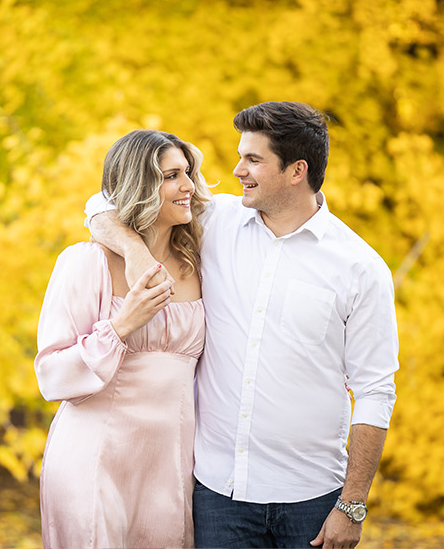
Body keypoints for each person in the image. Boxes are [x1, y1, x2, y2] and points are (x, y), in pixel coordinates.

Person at [87, 102, 399, 549]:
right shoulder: (215, 221)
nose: (237, 171)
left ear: (297, 171)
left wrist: (352, 505)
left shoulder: (360, 267)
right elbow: (103, 202)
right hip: (219, 495)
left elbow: (375, 390)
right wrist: (134, 249)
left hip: (312, 499)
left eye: (253, 160)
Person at [35, 129, 213, 548]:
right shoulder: (86, 262)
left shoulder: (201, 261)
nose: (188, 186)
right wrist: (120, 327)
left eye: (187, 173)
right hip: (95, 460)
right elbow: (51, 376)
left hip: (172, 467)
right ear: (141, 186)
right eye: (172, 176)